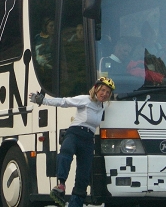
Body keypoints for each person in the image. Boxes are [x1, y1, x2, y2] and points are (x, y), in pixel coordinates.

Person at [29, 77, 115, 207]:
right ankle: (61, 185)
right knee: (66, 151)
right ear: (96, 89)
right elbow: (64, 102)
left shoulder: (102, 107)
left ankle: (75, 204)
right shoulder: (85, 99)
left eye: (108, 92)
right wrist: (43, 100)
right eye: (103, 90)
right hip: (75, 133)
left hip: (88, 140)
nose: (105, 94)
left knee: (83, 175)